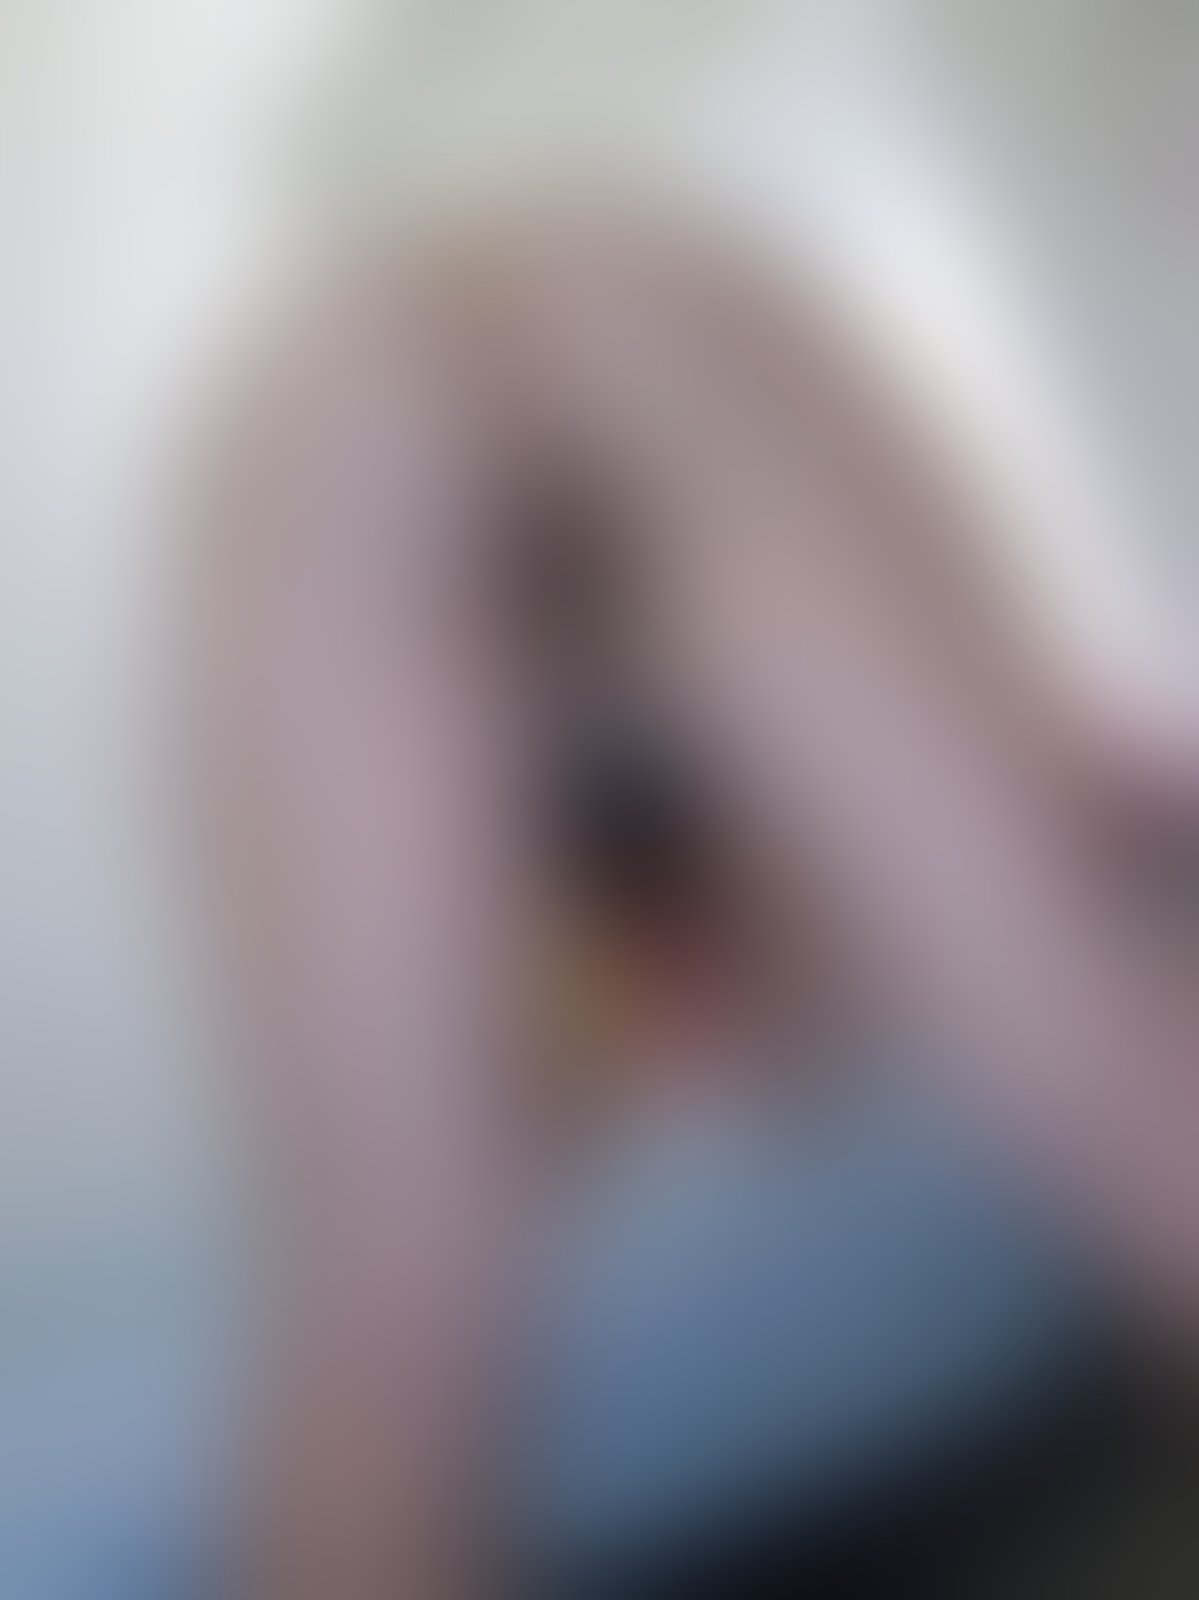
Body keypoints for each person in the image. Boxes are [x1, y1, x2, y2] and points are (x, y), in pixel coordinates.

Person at [194, 202, 1198, 1598]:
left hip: (336, 398)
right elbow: (832, 1004)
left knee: (400, 1288)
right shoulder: (716, 947)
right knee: (1096, 1065)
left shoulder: (629, 956)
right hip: (656, 316)